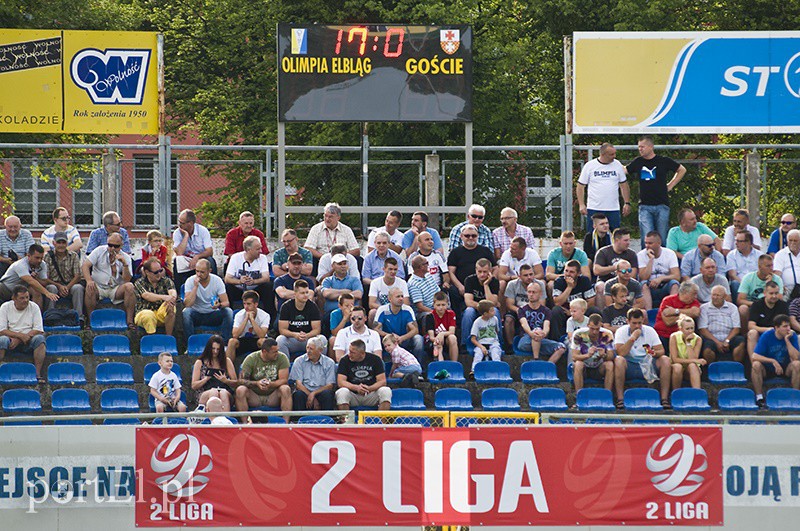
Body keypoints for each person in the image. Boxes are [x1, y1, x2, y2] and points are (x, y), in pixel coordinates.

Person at [626, 135, 686, 244]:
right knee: (647, 236)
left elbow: (681, 169)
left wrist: (671, 184)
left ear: (651, 146)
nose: (640, 149)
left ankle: (662, 259)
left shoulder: (663, 161)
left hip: (662, 204)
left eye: (642, 147)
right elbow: (624, 170)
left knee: (662, 237)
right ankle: (646, 259)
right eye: (639, 147)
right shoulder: (638, 162)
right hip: (644, 205)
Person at [614, 308, 672, 409]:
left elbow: (661, 351)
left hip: (647, 363)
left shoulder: (650, 330)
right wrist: (632, 339)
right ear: (628, 321)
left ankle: (664, 399)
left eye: (639, 323)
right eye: (634, 323)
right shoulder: (621, 331)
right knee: (619, 360)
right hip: (630, 364)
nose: (637, 326)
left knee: (665, 360)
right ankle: (620, 399)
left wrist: (653, 353)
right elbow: (621, 353)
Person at [82, 234, 135, 328]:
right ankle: (90, 321)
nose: (112, 248)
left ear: (121, 245)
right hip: (99, 286)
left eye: (116, 246)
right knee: (89, 287)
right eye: (110, 245)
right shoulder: (99, 250)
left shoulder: (126, 257)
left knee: (130, 286)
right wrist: (89, 280)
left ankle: (130, 321)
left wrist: (125, 265)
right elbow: (85, 265)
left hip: (116, 288)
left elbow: (127, 280)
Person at [576, 142, 630, 232]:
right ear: (603, 154)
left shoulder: (617, 165)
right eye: (611, 154)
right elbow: (580, 186)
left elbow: (623, 185)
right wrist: (581, 204)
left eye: (614, 153)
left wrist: (627, 202)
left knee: (615, 235)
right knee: (593, 235)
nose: (614, 156)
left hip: (613, 208)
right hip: (594, 208)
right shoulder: (590, 166)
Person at [235, 338, 292, 422]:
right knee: (240, 390)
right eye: (274, 352)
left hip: (273, 396)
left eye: (277, 351)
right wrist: (256, 383)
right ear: (265, 352)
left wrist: (271, 384)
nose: (277, 354)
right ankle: (244, 423)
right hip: (254, 396)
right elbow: (242, 380)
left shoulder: (282, 357)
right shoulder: (251, 358)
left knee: (285, 388)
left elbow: (283, 380)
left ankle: (286, 424)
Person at [751, 314, 800, 408]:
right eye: (785, 326)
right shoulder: (767, 335)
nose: (788, 329)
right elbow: (754, 356)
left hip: (786, 368)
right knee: (756, 365)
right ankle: (759, 397)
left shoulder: (791, 335)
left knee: (797, 364)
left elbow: (795, 358)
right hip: (768, 368)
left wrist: (787, 340)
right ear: (776, 328)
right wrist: (773, 361)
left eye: (789, 326)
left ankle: (795, 397)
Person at [447, 225, 495, 314]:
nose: (470, 238)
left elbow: (495, 268)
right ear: (461, 236)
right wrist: (459, 286)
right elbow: (451, 272)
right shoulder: (455, 252)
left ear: (478, 236)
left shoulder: (485, 251)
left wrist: (490, 281)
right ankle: (457, 322)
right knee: (452, 290)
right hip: (462, 286)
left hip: (483, 285)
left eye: (473, 236)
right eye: (467, 236)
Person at [182, 258, 234, 340]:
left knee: (228, 312)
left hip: (213, 313)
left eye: (202, 272)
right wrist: (195, 287)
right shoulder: (190, 281)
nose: (199, 274)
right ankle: (189, 342)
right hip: (197, 313)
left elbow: (226, 302)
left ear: (209, 271)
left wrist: (219, 305)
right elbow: (187, 304)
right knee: (186, 312)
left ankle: (225, 342)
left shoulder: (217, 280)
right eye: (197, 271)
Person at [0, 286, 45, 380]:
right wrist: (19, 336)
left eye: (27, 297)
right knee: (2, 340)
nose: (25, 300)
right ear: (14, 298)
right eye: (22, 298)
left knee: (40, 339)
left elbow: (38, 329)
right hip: (10, 340)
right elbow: (2, 330)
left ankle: (37, 373)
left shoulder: (34, 307)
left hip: (29, 340)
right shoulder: (5, 307)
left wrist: (20, 339)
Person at [336, 339, 392, 411]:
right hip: (353, 395)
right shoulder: (344, 360)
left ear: (362, 353)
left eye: (353, 352)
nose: (349, 354)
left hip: (371, 394)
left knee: (386, 390)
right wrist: (356, 388)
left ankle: (382, 421)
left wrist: (369, 388)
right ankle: (346, 421)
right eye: (349, 351)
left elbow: (382, 381)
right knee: (342, 392)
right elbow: (341, 382)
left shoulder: (375, 359)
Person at [224, 235, 273, 317]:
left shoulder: (262, 258)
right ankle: (230, 317)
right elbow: (227, 278)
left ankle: (269, 318)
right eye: (257, 249)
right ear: (249, 250)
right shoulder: (236, 258)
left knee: (269, 286)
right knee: (227, 287)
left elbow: (266, 278)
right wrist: (240, 281)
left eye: (260, 248)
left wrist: (254, 281)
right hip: (238, 289)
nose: (260, 251)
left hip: (255, 289)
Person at [517, 282, 566, 363]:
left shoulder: (546, 311)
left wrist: (543, 334)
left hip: (541, 339)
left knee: (561, 348)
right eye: (529, 292)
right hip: (525, 341)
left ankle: (546, 368)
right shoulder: (522, 310)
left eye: (534, 292)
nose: (531, 294)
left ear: (540, 294)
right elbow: (524, 324)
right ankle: (536, 359)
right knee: (536, 331)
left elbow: (547, 327)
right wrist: (532, 333)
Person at [374, 287, 425, 364]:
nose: (401, 299)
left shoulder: (408, 309)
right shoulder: (382, 310)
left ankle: (418, 366)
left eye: (402, 296)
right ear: (390, 298)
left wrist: (402, 338)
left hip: (404, 339)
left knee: (418, 339)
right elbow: (375, 329)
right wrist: (390, 336)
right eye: (398, 296)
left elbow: (415, 329)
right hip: (387, 340)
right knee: (376, 339)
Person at [0, 243, 57, 311]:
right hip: (7, 288)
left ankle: (38, 317)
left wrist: (37, 278)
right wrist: (47, 293)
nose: (39, 260)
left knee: (37, 290)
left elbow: (44, 282)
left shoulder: (42, 264)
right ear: (29, 256)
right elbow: (31, 281)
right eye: (37, 258)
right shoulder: (20, 264)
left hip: (24, 288)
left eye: (41, 258)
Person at [551, 260, 598, 340]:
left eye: (572, 272)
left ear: (579, 273)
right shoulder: (559, 281)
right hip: (564, 312)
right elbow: (557, 302)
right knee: (555, 310)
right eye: (566, 271)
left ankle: (595, 338)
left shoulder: (584, 281)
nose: (568, 274)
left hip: (582, 312)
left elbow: (591, 301)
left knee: (594, 310)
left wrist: (575, 312)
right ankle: (556, 342)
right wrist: (569, 287)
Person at [698, 285, 745, 364]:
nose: (715, 297)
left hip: (729, 337)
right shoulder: (704, 308)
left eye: (718, 295)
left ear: (725, 296)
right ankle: (710, 369)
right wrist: (717, 342)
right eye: (713, 295)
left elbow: (736, 328)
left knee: (740, 342)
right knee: (707, 349)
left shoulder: (732, 307)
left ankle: (736, 366)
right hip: (711, 338)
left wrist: (727, 340)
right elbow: (703, 329)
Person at [593, 227, 638, 307]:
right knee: (600, 286)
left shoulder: (631, 254)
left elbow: (633, 274)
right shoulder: (603, 252)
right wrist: (615, 267)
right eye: (625, 240)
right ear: (617, 240)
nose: (628, 243)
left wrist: (623, 273)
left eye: (629, 240)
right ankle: (602, 313)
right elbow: (596, 270)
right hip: (606, 281)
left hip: (625, 281)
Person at [461, 258, 501, 347]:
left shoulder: (494, 282)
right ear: (475, 270)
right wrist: (484, 307)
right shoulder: (469, 280)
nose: (482, 274)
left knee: (496, 312)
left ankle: (499, 342)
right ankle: (464, 343)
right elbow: (468, 302)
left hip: (487, 309)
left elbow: (493, 303)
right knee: (468, 312)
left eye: (485, 272)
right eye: (479, 271)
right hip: (475, 309)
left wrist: (486, 285)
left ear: (490, 271)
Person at [276, 279, 321, 359]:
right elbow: (282, 330)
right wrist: (295, 335)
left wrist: (307, 335)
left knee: (322, 339)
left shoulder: (313, 306)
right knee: (280, 340)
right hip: (292, 338)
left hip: (308, 339)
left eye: (307, 292)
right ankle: (285, 367)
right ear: (295, 293)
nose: (305, 295)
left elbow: (317, 329)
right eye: (302, 293)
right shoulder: (286, 306)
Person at [290, 335, 336, 412]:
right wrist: (310, 395)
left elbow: (329, 385)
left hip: (321, 392)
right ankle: (297, 422)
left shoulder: (329, 363)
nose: (308, 351)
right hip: (305, 392)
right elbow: (298, 385)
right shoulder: (299, 361)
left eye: (311, 349)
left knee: (328, 394)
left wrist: (313, 394)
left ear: (320, 350)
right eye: (307, 348)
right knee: (298, 395)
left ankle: (328, 421)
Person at [172, 209, 216, 290]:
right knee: (177, 261)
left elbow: (209, 251)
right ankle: (179, 291)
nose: (179, 225)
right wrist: (186, 235)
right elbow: (179, 253)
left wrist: (197, 257)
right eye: (179, 222)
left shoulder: (203, 231)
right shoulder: (177, 233)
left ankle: (213, 288)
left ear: (191, 223)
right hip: (186, 259)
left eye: (182, 223)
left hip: (201, 258)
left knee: (211, 261)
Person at [571, 314, 615, 393]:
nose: (594, 332)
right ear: (587, 325)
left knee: (610, 364)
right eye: (592, 329)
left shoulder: (607, 334)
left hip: (599, 366)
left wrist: (604, 355)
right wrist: (587, 355)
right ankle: (579, 395)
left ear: (601, 326)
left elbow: (611, 355)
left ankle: (607, 394)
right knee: (578, 364)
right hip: (584, 366)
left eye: (597, 329)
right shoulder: (578, 334)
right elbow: (574, 356)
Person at [503, 265, 546, 345]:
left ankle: (541, 342)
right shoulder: (512, 284)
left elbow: (542, 304)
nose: (529, 277)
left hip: (535, 310)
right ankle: (510, 345)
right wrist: (519, 311)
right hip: (517, 309)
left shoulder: (540, 284)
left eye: (531, 274)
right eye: (526, 275)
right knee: (508, 319)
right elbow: (509, 304)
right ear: (519, 276)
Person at [43, 232, 85, 315]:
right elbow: (46, 277)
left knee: (78, 288)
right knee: (51, 288)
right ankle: (50, 315)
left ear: (67, 243)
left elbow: (77, 276)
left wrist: (67, 287)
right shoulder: (48, 256)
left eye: (63, 242)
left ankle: (79, 317)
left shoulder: (73, 255)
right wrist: (59, 286)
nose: (61, 245)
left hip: (70, 284)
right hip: (54, 284)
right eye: (59, 242)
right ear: (54, 243)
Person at [191, 335, 237, 410]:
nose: (215, 352)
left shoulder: (227, 361)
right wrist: (205, 379)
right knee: (214, 392)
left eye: (218, 349)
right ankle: (213, 417)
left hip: (224, 390)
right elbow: (194, 385)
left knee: (223, 393)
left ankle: (225, 418)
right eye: (213, 349)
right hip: (205, 391)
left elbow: (235, 383)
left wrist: (226, 381)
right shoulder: (200, 362)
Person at [746, 281, 788, 362]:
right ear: (765, 293)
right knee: (752, 333)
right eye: (771, 293)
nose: (774, 296)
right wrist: (767, 329)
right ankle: (754, 364)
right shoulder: (757, 305)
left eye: (776, 293)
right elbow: (750, 325)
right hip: (761, 333)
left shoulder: (783, 305)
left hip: (779, 333)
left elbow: (786, 324)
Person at [134, 257, 177, 335]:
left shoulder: (166, 281)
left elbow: (172, 292)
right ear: (147, 272)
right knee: (148, 315)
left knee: (170, 307)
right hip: (143, 312)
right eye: (156, 272)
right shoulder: (139, 283)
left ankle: (168, 337)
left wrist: (171, 298)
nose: (159, 274)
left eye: (160, 271)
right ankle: (152, 339)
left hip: (160, 313)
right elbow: (146, 295)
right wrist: (165, 297)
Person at [637, 231, 680, 309]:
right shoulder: (641, 255)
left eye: (650, 243)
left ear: (659, 243)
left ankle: (671, 311)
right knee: (643, 284)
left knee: (675, 284)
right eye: (646, 243)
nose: (647, 246)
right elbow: (643, 278)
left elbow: (677, 276)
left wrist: (661, 278)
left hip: (665, 285)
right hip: (649, 285)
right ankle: (649, 313)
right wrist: (651, 260)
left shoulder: (669, 253)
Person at [654, 281, 701, 351]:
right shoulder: (668, 300)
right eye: (694, 294)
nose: (696, 297)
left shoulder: (694, 302)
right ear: (684, 292)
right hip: (664, 335)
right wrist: (687, 314)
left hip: (684, 336)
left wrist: (676, 311)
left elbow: (695, 313)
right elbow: (668, 322)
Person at [738, 254, 783, 325]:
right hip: (752, 306)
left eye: (772, 265)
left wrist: (769, 284)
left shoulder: (777, 279)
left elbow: (779, 298)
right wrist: (757, 305)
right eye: (768, 266)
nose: (771, 268)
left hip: (771, 306)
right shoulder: (748, 278)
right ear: (759, 267)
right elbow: (740, 300)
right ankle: (745, 334)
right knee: (743, 309)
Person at [225, 290, 270, 361]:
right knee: (232, 341)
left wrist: (252, 320)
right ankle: (227, 368)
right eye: (244, 304)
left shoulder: (265, 315)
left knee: (263, 342)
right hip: (242, 340)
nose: (246, 307)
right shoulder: (239, 315)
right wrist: (246, 319)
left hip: (256, 340)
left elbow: (262, 335)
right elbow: (235, 335)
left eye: (249, 304)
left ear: (256, 304)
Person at [545, 231, 590, 296]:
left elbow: (587, 276)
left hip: (576, 281)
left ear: (574, 243)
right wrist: (566, 277)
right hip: (559, 282)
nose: (568, 246)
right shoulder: (553, 254)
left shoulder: (581, 254)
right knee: (550, 284)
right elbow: (548, 275)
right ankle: (554, 305)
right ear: (560, 244)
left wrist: (573, 279)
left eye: (570, 243)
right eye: (565, 243)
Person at [367, 257, 409, 322]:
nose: (393, 272)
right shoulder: (375, 282)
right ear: (384, 269)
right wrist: (387, 309)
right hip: (381, 310)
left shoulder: (402, 283)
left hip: (398, 310)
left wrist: (394, 310)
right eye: (390, 269)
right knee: (372, 312)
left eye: (395, 269)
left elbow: (406, 303)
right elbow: (371, 304)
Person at [669, 316, 705, 390]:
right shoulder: (674, 337)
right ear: (681, 329)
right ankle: (676, 392)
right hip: (677, 367)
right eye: (687, 329)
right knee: (678, 367)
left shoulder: (698, 339)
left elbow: (693, 358)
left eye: (692, 328)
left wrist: (688, 343)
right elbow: (675, 359)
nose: (690, 331)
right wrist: (695, 361)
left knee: (692, 365)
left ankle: (697, 393)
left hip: (690, 369)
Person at [469, 299, 503, 375]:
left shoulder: (495, 319)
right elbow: (473, 339)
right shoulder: (477, 322)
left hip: (493, 343)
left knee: (496, 354)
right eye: (491, 310)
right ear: (485, 313)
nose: (494, 312)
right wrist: (481, 347)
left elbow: (496, 331)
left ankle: (498, 370)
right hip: (481, 344)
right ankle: (474, 370)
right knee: (478, 355)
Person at [424, 291, 458, 361]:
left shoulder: (451, 314)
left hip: (446, 339)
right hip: (434, 341)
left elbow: (452, 332)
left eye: (443, 305)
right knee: (437, 343)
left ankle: (454, 363)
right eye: (438, 305)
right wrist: (438, 339)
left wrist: (442, 334)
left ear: (447, 304)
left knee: (452, 338)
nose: (441, 308)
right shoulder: (430, 316)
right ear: (434, 305)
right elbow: (431, 337)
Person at [726, 231, 759, 301]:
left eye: (739, 241)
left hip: (756, 284)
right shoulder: (731, 255)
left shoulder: (759, 255)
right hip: (740, 284)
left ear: (749, 243)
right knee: (734, 284)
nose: (736, 243)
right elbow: (732, 275)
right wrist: (745, 285)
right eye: (736, 240)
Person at [406, 255, 439, 319]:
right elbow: (420, 307)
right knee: (429, 316)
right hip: (425, 312)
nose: (428, 265)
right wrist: (435, 312)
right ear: (421, 267)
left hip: (437, 306)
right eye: (426, 263)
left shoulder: (428, 275)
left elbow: (438, 293)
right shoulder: (413, 284)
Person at [772, 229, 800, 299]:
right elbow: (777, 274)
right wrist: (781, 285)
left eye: (795, 241)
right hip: (787, 291)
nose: (792, 243)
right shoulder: (780, 254)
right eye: (790, 240)